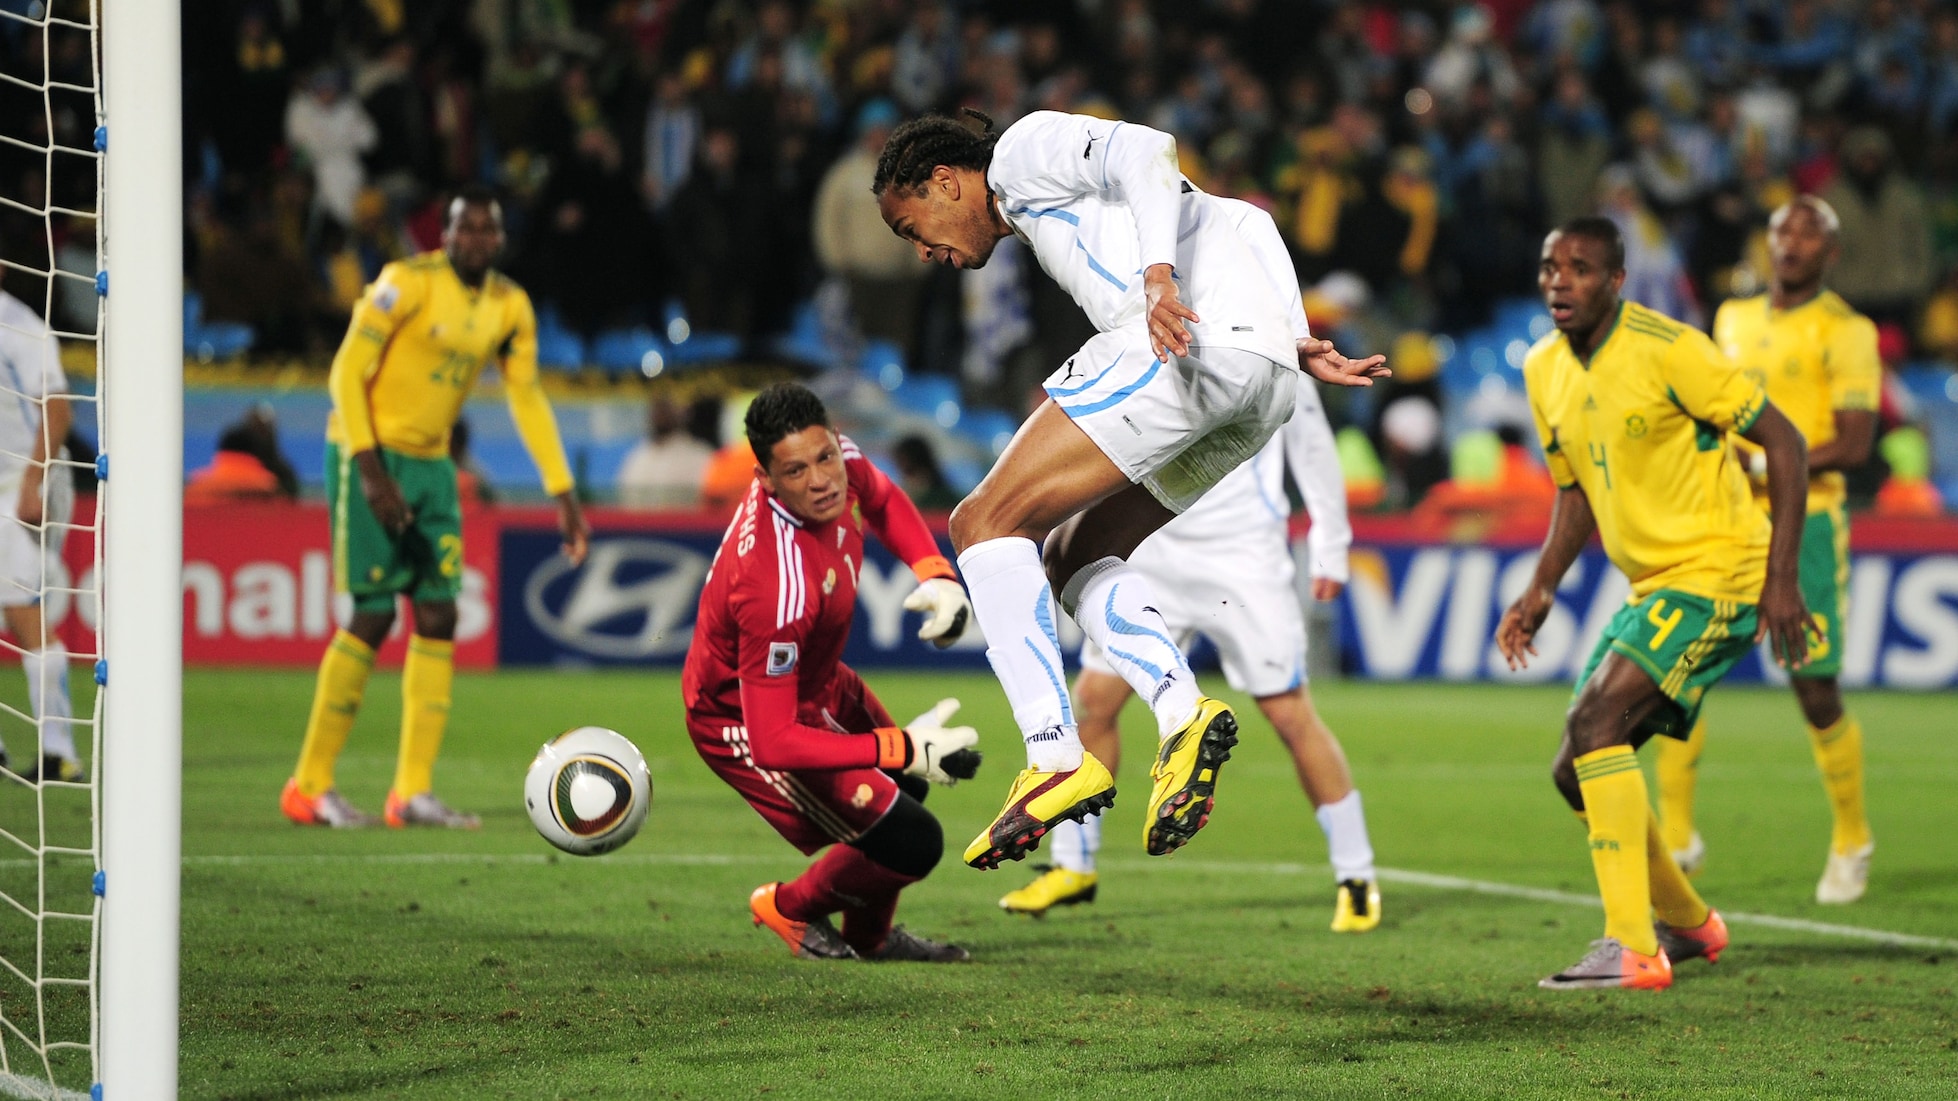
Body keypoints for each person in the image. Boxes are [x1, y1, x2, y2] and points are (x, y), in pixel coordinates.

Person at [873, 108, 1386, 872]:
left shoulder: (1019, 152)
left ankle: (1052, 754)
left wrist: (1157, 279)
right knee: (1073, 555)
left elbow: (1148, 149)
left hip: (1178, 343)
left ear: (945, 181)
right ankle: (1182, 712)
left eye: (911, 227)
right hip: (1262, 382)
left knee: (982, 522)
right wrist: (1285, 338)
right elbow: (1244, 220)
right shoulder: (1045, 209)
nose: (922, 251)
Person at [997, 194, 1380, 928]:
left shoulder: (1269, 337)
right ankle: (1072, 868)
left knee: (1289, 712)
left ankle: (1356, 874)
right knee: (1096, 702)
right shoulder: (1156, 319)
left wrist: (1330, 540)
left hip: (1243, 558)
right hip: (1151, 550)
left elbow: (1311, 446)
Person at [1498, 217, 1812, 991]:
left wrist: (1781, 578)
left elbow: (1786, 442)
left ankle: (1633, 946)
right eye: (1550, 266)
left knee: (1596, 722)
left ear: (1616, 281)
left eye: (1580, 267)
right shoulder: (1543, 369)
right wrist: (1541, 586)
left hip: (1721, 571)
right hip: (1655, 583)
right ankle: (1689, 923)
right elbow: (1576, 488)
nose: (1560, 280)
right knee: (1575, 768)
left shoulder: (1672, 350)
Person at [283, 188, 589, 830]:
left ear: (500, 238)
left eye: (487, 228)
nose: (475, 238)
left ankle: (411, 793)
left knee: (440, 613)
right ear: (444, 235)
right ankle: (308, 785)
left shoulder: (510, 305)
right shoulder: (405, 283)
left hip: (433, 465)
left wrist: (563, 492)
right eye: (463, 227)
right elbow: (345, 373)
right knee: (372, 613)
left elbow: (527, 397)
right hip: (368, 454)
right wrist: (370, 472)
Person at [683, 383, 978, 961]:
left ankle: (869, 939)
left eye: (824, 457)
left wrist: (935, 572)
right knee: (914, 841)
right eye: (796, 471)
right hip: (741, 717)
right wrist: (899, 745)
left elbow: (883, 497)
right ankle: (787, 906)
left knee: (906, 788)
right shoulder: (774, 584)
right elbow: (773, 741)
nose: (822, 480)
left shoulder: (838, 460)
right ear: (766, 479)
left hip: (816, 680)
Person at [1656, 197, 1880, 903]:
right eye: (1783, 230)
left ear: (1830, 253)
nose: (1791, 243)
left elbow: (1854, 443)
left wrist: (1761, 463)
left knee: (1814, 685)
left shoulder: (1848, 331)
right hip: (1724, 521)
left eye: (1809, 233)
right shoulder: (1731, 317)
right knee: (1679, 671)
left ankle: (1852, 837)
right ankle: (1678, 837)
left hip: (1806, 520)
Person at [0, 279, 79, 783]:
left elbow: (58, 408)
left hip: (26, 480)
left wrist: (32, 483)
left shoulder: (18, 325)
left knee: (23, 610)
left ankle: (59, 753)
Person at [615, 394, 713, 509]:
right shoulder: (637, 456)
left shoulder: (700, 455)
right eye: (658, 408)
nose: (661, 414)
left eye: (667, 408)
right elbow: (625, 500)